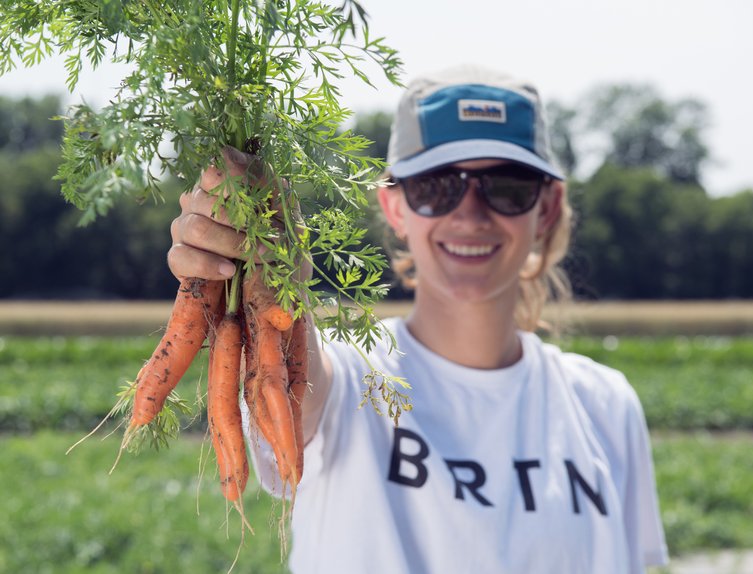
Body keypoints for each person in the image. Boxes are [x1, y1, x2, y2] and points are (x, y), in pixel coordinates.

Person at [168, 65, 668, 573]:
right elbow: (297, 381)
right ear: (396, 205)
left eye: (508, 187)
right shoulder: (354, 380)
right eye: (437, 187)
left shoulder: (607, 407)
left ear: (547, 208)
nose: (471, 214)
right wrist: (270, 268)